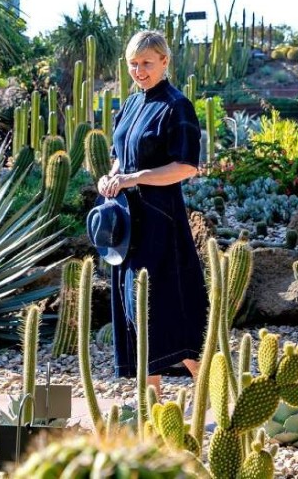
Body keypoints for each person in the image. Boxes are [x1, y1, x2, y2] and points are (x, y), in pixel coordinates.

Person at [97, 30, 208, 392]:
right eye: (133, 64)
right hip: (127, 224)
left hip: (161, 223)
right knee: (134, 312)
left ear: (164, 61)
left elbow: (187, 167)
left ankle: (219, 394)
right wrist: (112, 178)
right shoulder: (130, 105)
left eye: (146, 63)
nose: (139, 70)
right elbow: (120, 158)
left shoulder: (177, 106)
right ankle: (152, 410)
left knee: (164, 312)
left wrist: (134, 178)